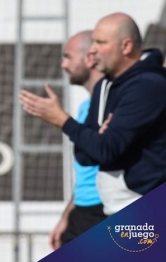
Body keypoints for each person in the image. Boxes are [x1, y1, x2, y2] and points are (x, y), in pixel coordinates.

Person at [19, 13, 166, 217]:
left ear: (126, 46)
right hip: (115, 208)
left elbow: (105, 149)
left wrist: (62, 120)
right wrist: (96, 139)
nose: (93, 49)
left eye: (101, 42)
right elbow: (86, 156)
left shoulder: (147, 86)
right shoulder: (105, 85)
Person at [45, 31, 106, 250]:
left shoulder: (117, 105)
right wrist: (67, 216)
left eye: (68, 56)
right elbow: (85, 172)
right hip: (82, 212)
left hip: (106, 211)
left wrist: (61, 119)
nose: (63, 64)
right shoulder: (84, 108)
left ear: (90, 58)